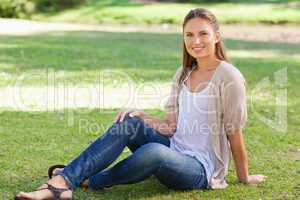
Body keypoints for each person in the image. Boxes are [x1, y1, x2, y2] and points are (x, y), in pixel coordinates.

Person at [15, 8, 266, 200]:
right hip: (175, 147)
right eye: (189, 34)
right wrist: (143, 116)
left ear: (217, 37)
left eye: (203, 34)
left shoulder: (228, 76)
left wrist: (244, 177)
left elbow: (234, 131)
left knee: (153, 153)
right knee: (130, 122)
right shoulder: (183, 74)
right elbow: (170, 127)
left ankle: (90, 180)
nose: (196, 41)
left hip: (200, 169)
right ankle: (64, 183)